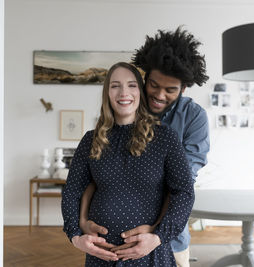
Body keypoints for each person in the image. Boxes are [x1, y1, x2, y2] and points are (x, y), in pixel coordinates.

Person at [80, 27, 210, 267]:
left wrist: (156, 232)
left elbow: (181, 185)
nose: (159, 95)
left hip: (169, 241)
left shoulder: (194, 117)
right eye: (153, 85)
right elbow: (95, 176)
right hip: (110, 243)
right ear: (144, 77)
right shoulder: (127, 106)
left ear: (184, 88)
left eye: (170, 90)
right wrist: (83, 221)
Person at [61, 62, 195, 266]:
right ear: (107, 93)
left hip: (150, 253)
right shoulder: (90, 140)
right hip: (102, 255)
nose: (124, 92)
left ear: (140, 92)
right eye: (115, 86)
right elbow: (72, 191)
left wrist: (158, 236)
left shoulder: (165, 138)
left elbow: (184, 192)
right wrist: (76, 236)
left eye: (132, 85)